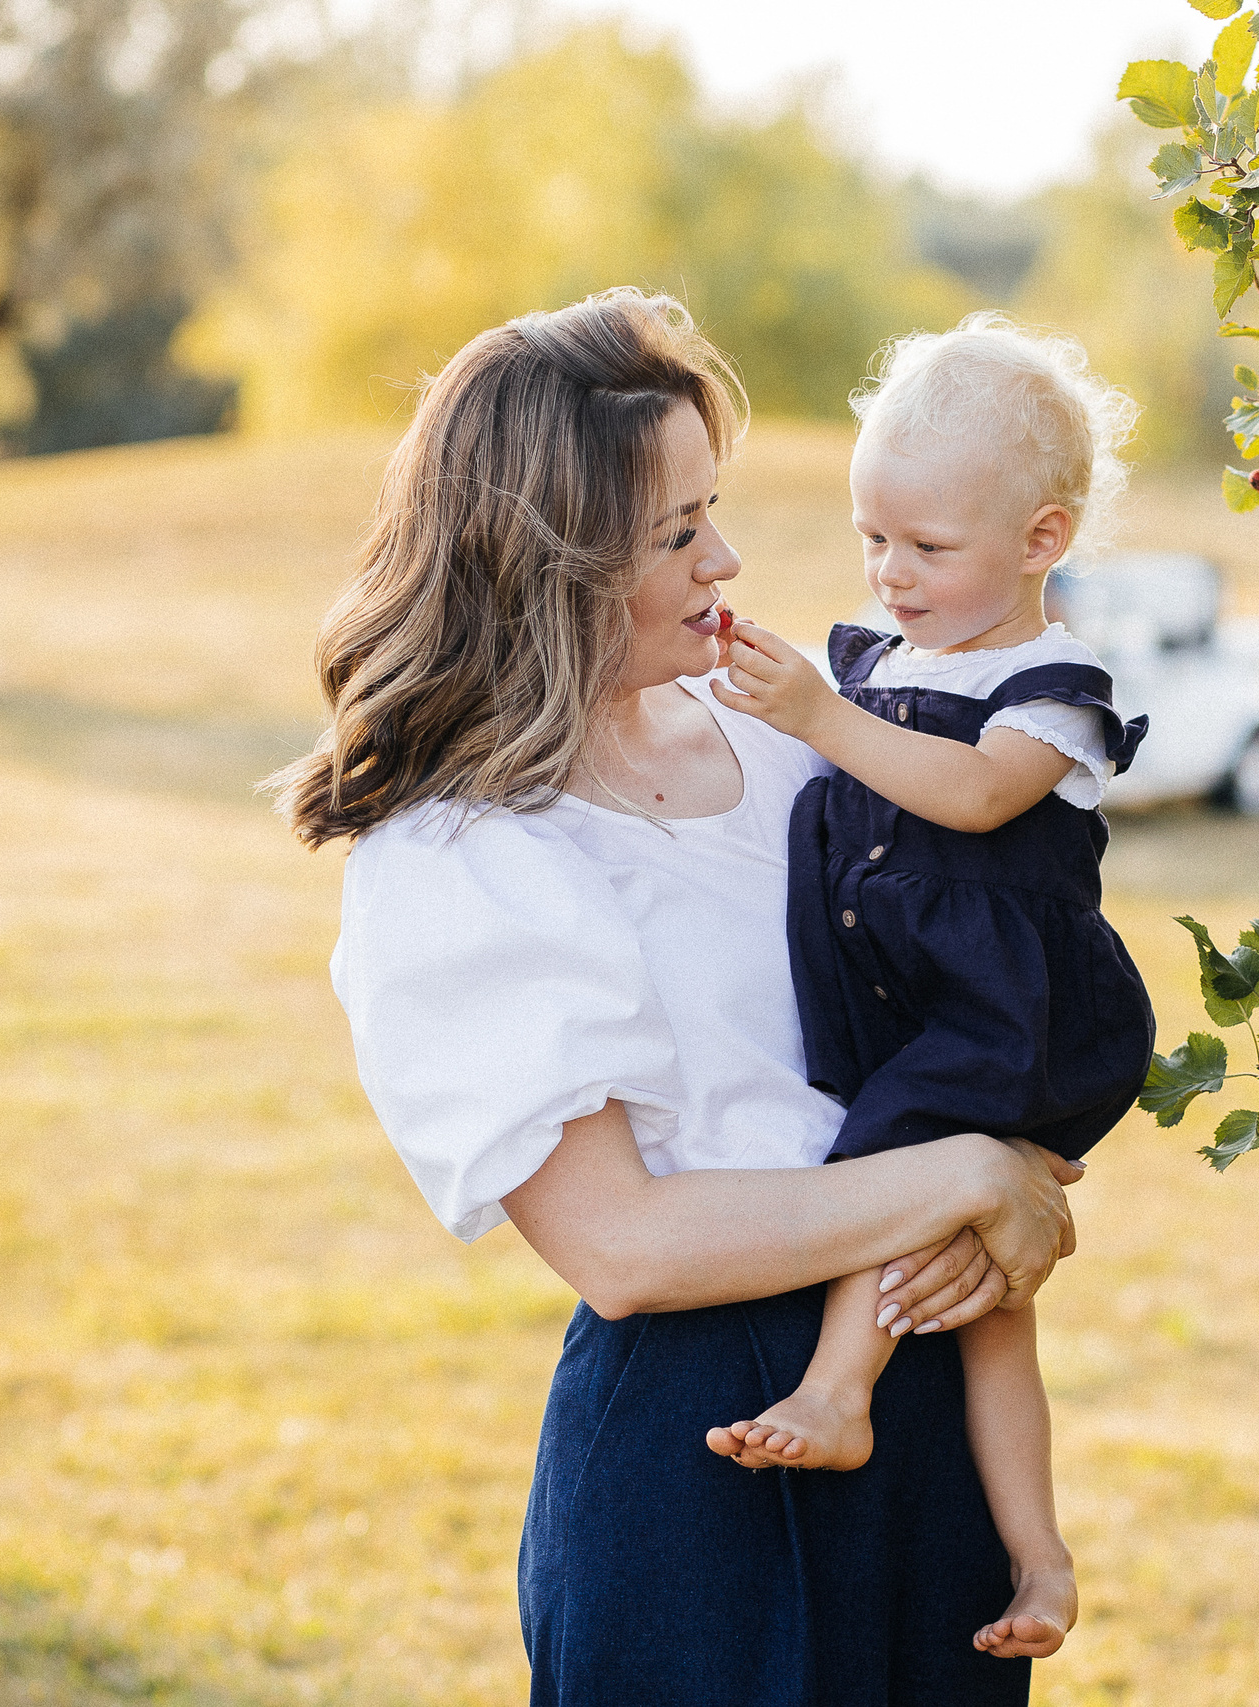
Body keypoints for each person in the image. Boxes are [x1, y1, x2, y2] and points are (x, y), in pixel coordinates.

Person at [274, 288, 1080, 1706]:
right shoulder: (463, 858)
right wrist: (965, 1178)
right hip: (699, 1453)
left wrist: (1009, 1166)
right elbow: (623, 1246)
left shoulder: (797, 745)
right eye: (676, 532)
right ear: (552, 562)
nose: (728, 557)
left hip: (920, 1386)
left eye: (715, 508)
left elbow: (971, 1005)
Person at [707, 315, 1156, 1663]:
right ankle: (1040, 1556)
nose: (890, 574)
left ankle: (841, 1392)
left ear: (1042, 539)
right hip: (909, 1018)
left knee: (892, 1172)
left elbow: (970, 798)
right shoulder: (881, 665)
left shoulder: (1050, 688)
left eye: (927, 547)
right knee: (992, 1310)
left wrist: (813, 715)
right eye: (871, 540)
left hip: (1007, 1020)